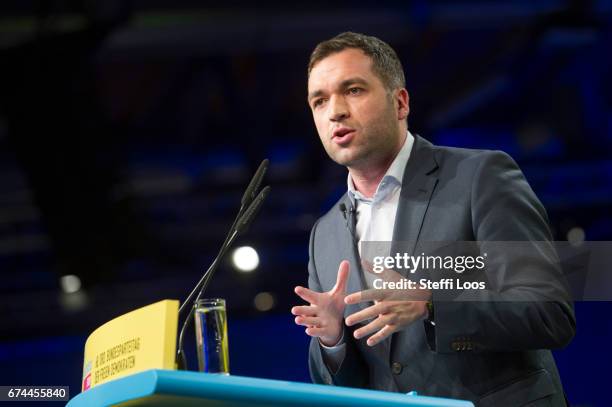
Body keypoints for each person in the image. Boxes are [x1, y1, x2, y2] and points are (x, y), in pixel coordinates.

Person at [291, 32, 575, 406]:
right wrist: (332, 339)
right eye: (319, 100)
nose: (335, 111)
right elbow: (342, 382)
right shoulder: (324, 234)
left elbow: (549, 313)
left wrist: (432, 304)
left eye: (354, 90)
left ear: (401, 103)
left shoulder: (480, 177)